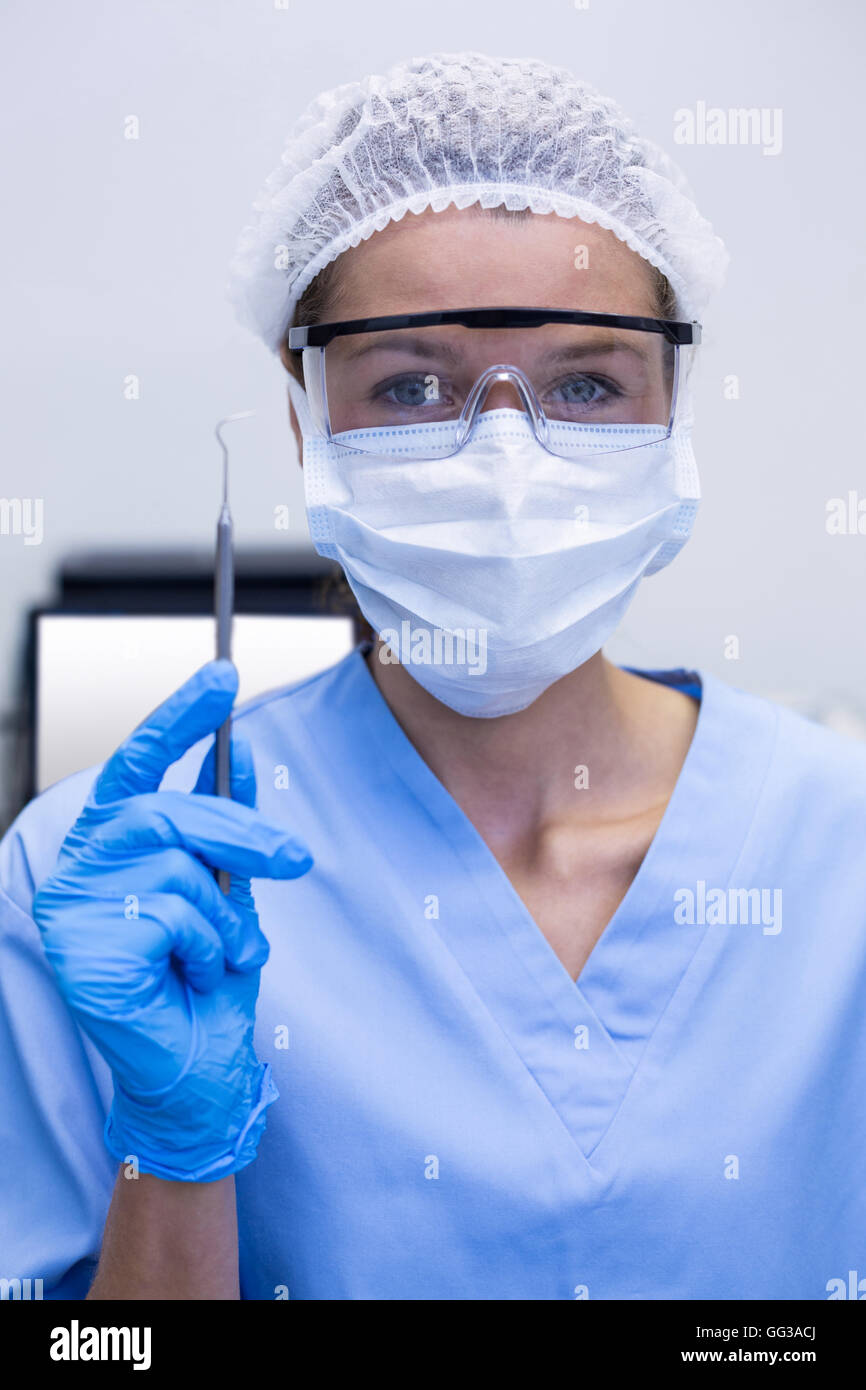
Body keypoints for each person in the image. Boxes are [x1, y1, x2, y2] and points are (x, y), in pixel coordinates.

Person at [2, 51, 865, 1302]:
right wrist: (175, 1155)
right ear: (307, 423)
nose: (504, 455)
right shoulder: (103, 884)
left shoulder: (838, 853)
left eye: (582, 381)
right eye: (410, 384)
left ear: (672, 408)